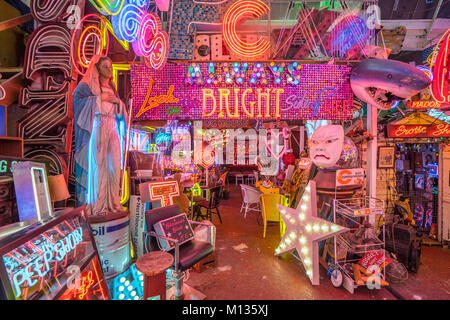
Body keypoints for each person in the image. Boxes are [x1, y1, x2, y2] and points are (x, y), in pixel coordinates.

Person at [73, 55, 128, 217]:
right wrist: (98, 99)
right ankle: (98, 204)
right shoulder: (86, 87)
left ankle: (112, 201)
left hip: (112, 129)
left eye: (110, 66)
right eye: (105, 66)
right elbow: (78, 103)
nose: (109, 70)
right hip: (97, 128)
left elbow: (120, 115)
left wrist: (120, 105)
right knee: (98, 166)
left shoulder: (112, 88)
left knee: (113, 165)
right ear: (97, 68)